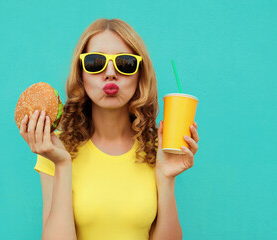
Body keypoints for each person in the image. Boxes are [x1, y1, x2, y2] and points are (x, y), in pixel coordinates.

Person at [19, 18, 200, 240]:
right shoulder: (55, 148)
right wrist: (62, 165)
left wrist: (166, 177)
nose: (111, 73)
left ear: (140, 75)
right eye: (95, 63)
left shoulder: (158, 149)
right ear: (81, 75)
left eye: (125, 64)